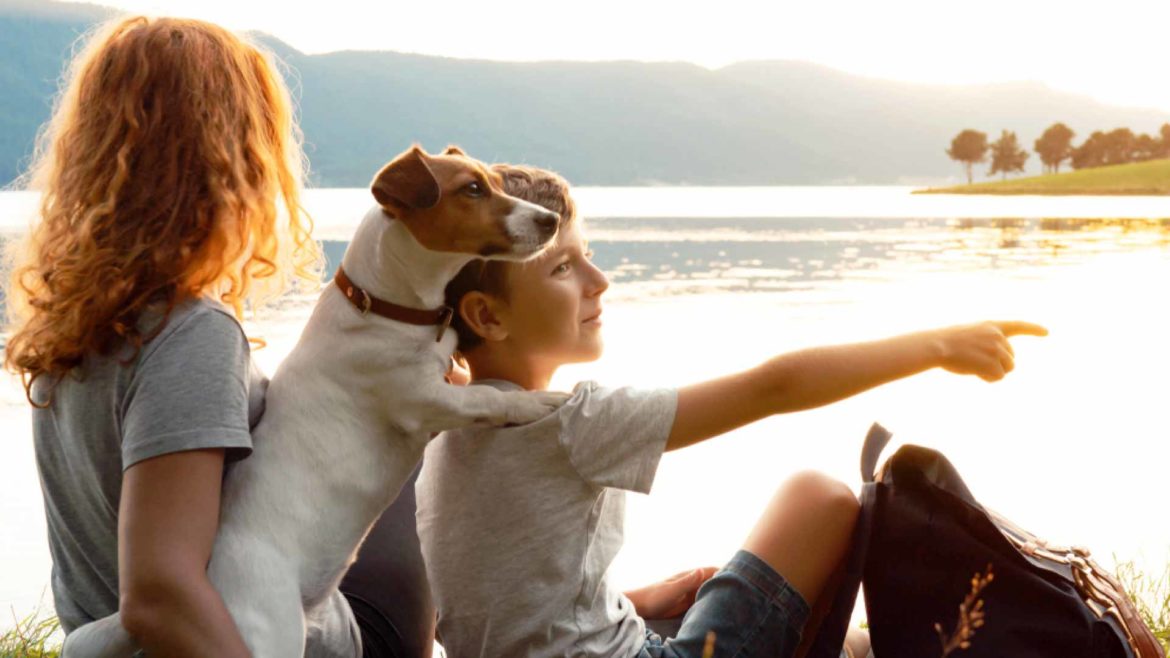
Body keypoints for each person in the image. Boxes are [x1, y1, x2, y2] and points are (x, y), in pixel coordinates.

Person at [416, 164, 1047, 658]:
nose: (597, 279)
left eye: (589, 252)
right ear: (487, 317)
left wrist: (633, 600)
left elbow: (490, 608)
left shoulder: (441, 425)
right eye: (562, 267)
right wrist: (936, 346)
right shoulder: (565, 423)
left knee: (716, 587)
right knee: (817, 496)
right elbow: (774, 387)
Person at [3, 15, 430, 657]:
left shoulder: (76, 320)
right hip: (272, 644)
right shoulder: (192, 334)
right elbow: (160, 594)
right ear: (239, 156)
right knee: (409, 416)